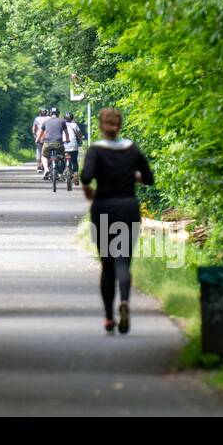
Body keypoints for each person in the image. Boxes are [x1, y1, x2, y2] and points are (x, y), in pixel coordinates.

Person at [79, 107, 153, 334]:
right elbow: (149, 178)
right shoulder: (131, 149)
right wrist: (132, 176)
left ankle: (109, 318)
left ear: (101, 126)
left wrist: (89, 191)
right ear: (120, 125)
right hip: (128, 209)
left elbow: (86, 177)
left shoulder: (96, 150)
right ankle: (125, 302)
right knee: (123, 261)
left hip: (103, 209)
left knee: (107, 263)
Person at [40, 108, 68, 182]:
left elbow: (41, 133)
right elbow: (66, 133)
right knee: (62, 156)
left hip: (47, 143)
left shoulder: (46, 121)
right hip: (59, 143)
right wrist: (67, 139)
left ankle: (46, 169)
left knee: (44, 156)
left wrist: (38, 139)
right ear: (58, 113)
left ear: (50, 113)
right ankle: (60, 173)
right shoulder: (62, 121)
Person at [62, 113, 84, 187]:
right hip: (73, 145)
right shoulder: (74, 125)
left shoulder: (62, 125)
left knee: (64, 158)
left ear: (64, 118)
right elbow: (79, 134)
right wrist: (81, 138)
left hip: (64, 145)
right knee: (74, 160)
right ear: (72, 118)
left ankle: (64, 171)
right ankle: (76, 175)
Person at [32, 108, 49, 173]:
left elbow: (34, 128)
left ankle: (39, 166)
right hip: (48, 137)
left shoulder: (37, 119)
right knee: (48, 151)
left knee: (39, 151)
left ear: (40, 113)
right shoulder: (49, 118)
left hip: (39, 137)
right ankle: (47, 166)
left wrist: (34, 135)